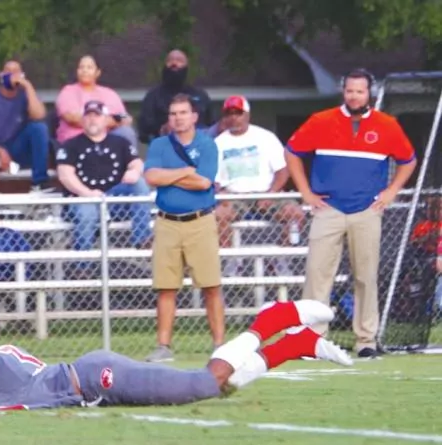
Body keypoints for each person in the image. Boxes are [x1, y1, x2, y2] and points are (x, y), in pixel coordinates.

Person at [0, 298, 351, 411]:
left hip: (95, 379)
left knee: (205, 383)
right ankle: (295, 344)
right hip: (85, 383)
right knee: (222, 387)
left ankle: (274, 320)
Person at [286, 68, 416, 359]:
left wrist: (391, 191)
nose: (354, 96)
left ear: (369, 93)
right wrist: (305, 192)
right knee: (317, 275)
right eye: (349, 91)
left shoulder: (387, 125)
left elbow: (408, 160)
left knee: (366, 276)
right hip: (328, 209)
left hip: (367, 210)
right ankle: (312, 340)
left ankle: (366, 340)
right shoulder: (320, 121)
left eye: (360, 91)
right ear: (343, 92)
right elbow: (292, 152)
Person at [143, 93, 224, 362]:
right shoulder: (159, 144)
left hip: (200, 221)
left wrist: (169, 176)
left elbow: (204, 182)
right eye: (173, 113)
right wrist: (186, 171)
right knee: (166, 287)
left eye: (183, 113)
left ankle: (219, 344)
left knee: (210, 285)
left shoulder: (207, 144)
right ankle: (164, 346)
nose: (178, 118)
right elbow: (151, 176)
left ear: (194, 116)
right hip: (167, 222)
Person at [214, 96, 305, 276]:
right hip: (234, 195)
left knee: (295, 214)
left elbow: (283, 170)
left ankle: (280, 260)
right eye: (229, 114)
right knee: (217, 217)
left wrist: (272, 193)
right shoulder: (218, 143)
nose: (233, 117)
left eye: (238, 113)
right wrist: (222, 194)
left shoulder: (265, 137)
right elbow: (213, 178)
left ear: (247, 115)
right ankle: (233, 263)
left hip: (266, 192)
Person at [56, 100, 151, 269]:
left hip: (113, 201)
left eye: (97, 115)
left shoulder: (121, 143)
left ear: (106, 119)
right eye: (88, 116)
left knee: (140, 183)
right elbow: (65, 175)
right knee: (87, 212)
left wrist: (134, 171)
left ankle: (142, 241)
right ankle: (82, 269)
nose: (92, 119)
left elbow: (137, 163)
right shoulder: (71, 145)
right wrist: (88, 193)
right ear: (82, 120)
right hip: (82, 200)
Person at [0, 60, 54, 193]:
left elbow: (39, 115)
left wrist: (28, 86)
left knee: (39, 128)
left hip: (18, 148)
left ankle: (39, 183)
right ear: (1, 75)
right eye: (8, 72)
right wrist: (0, 151)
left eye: (16, 72)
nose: (12, 75)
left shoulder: (25, 95)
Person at [54, 55, 137, 146]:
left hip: (107, 140)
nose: (84, 70)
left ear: (97, 72)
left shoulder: (109, 93)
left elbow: (125, 117)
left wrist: (120, 119)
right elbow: (72, 118)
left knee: (126, 132)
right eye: (81, 67)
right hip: (77, 140)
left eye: (89, 67)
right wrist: (111, 121)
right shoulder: (68, 91)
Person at [138, 49, 213, 144]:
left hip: (198, 145)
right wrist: (163, 128)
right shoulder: (153, 96)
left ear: (186, 66)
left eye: (179, 60)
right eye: (170, 60)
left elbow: (211, 125)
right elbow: (144, 130)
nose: (174, 63)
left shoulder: (200, 95)